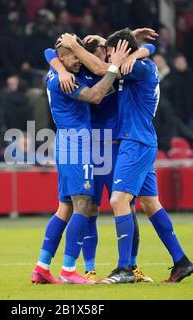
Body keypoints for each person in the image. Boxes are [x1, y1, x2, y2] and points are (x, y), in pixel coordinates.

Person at [60, 29, 193, 284]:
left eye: (112, 53)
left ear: (124, 53)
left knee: (118, 200)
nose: (110, 57)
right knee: (150, 204)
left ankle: (124, 269)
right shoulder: (140, 62)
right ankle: (181, 261)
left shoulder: (138, 67)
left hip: (135, 142)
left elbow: (103, 69)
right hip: (141, 140)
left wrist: (75, 48)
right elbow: (140, 51)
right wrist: (124, 42)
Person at [43, 32, 156, 282]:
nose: (105, 53)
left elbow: (150, 47)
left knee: (125, 204)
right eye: (101, 50)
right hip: (89, 146)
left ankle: (131, 265)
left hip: (114, 145)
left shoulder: (120, 70)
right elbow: (50, 52)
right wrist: (60, 69)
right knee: (89, 207)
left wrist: (134, 48)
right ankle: (89, 267)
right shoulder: (85, 74)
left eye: (108, 49)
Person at [30, 36, 130, 284]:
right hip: (76, 144)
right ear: (63, 56)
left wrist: (60, 66)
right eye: (74, 56)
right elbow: (96, 96)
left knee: (65, 207)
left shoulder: (58, 71)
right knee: (84, 205)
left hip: (66, 142)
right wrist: (114, 69)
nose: (79, 60)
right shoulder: (66, 82)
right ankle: (68, 270)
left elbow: (47, 50)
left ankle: (42, 267)